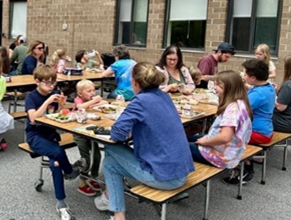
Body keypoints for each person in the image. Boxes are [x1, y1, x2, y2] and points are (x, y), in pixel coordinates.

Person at [94, 62, 194, 219]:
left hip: (164, 177)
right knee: (110, 165)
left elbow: (117, 134)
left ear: (134, 82)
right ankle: (117, 213)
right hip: (182, 171)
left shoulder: (140, 101)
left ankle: (110, 200)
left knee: (110, 148)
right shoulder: (164, 96)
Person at [25, 65, 85, 220]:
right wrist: (48, 101)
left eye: (53, 83)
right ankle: (71, 171)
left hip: (50, 135)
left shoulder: (54, 93)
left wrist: (62, 105)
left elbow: (58, 115)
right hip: (35, 136)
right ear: (37, 81)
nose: (51, 87)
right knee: (58, 152)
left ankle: (61, 203)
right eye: (48, 83)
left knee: (55, 164)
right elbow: (33, 118)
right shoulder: (31, 97)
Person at [188, 71, 252, 174]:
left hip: (223, 156)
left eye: (219, 85)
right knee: (186, 138)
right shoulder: (241, 102)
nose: (214, 87)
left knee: (179, 146)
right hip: (232, 150)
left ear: (229, 89)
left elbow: (225, 137)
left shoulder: (233, 109)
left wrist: (205, 142)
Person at [223, 59, 275, 184]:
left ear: (252, 78)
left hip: (257, 132)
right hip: (265, 129)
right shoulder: (266, 87)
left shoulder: (258, 94)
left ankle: (245, 168)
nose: (243, 75)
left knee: (226, 136)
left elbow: (238, 110)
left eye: (245, 74)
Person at [73, 80, 106, 196]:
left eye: (93, 90)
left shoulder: (90, 100)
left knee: (97, 155)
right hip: (79, 132)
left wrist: (95, 102)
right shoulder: (79, 100)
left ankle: (94, 177)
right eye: (89, 91)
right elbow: (80, 107)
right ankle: (82, 183)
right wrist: (94, 101)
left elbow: (105, 102)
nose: (92, 92)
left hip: (91, 131)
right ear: (80, 93)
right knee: (86, 159)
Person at [272, 54, 291, 135]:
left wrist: (271, 96)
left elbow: (280, 107)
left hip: (286, 122)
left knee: (259, 117)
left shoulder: (289, 85)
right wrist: (278, 92)